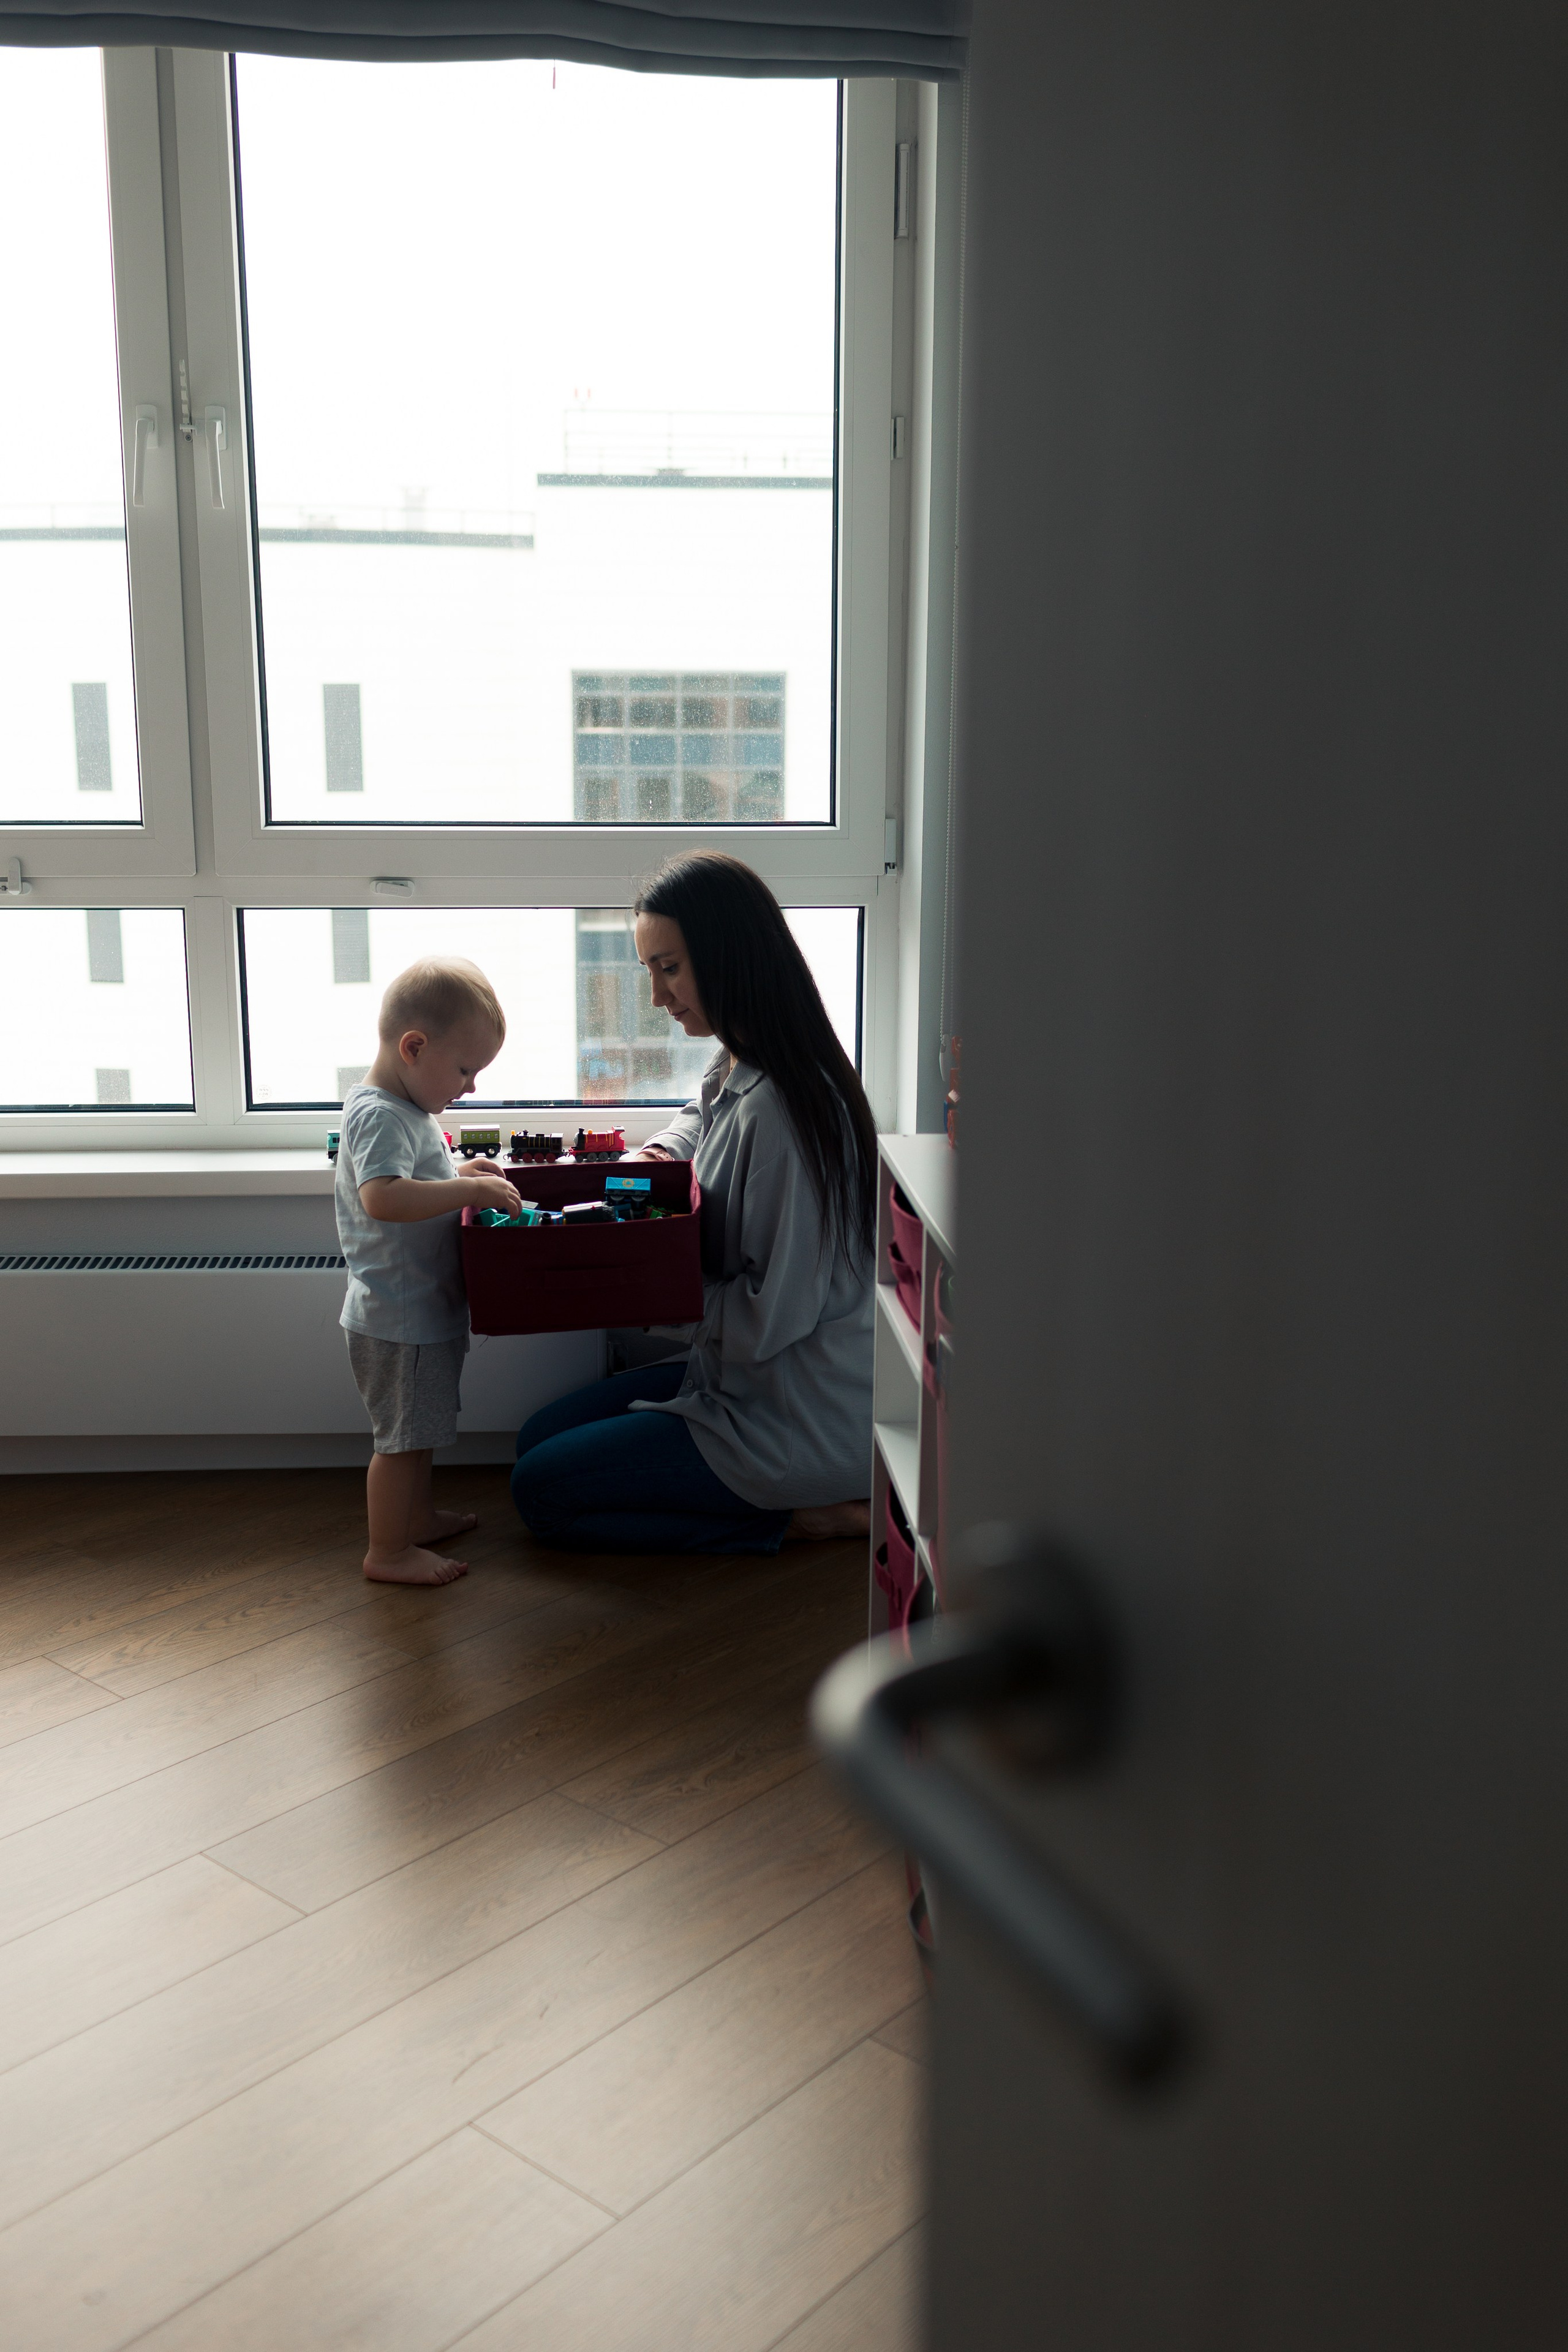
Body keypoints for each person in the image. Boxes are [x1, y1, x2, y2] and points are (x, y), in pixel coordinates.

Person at [512, 852, 876, 1553]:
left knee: (543, 1493)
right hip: (739, 1377)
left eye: (669, 968)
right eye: (649, 970)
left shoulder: (784, 1116)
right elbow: (699, 1113)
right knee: (535, 1438)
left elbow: (776, 1317)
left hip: (788, 1414)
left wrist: (649, 1295)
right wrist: (660, 1153)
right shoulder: (744, 1057)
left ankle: (797, 1518)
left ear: (729, 957)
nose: (656, 996)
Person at [335, 957, 517, 1585]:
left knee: (422, 1431)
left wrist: (460, 1175)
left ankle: (414, 1521)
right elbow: (383, 1196)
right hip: (398, 1317)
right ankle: (386, 1552)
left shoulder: (408, 1113)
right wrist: (467, 1196)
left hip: (419, 1312)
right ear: (414, 1047)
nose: (468, 1087)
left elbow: (419, 1179)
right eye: (465, 1069)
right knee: (401, 1442)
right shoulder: (380, 1114)